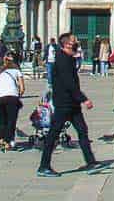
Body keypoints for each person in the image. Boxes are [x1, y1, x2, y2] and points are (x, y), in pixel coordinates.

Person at [37, 33, 99, 177]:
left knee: (83, 131)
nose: (76, 41)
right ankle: (43, 166)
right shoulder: (62, 59)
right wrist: (84, 99)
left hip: (72, 104)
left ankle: (91, 162)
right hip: (64, 104)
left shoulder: (68, 58)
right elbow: (69, 83)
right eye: (73, 40)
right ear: (67, 44)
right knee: (53, 134)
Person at [0, 54, 25, 151]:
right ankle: (8, 141)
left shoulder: (0, 71)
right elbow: (22, 88)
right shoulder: (17, 71)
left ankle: (2, 139)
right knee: (12, 120)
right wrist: (18, 95)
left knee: (3, 119)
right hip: (11, 96)